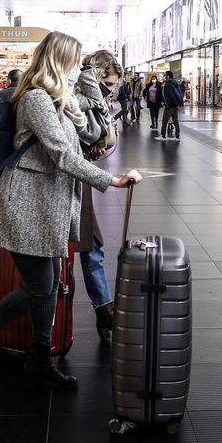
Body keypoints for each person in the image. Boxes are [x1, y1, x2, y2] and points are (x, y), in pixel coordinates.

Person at [0, 32, 142, 388]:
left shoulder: (62, 100)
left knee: (48, 287)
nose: (77, 69)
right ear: (60, 61)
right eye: (75, 62)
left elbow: (94, 125)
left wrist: (87, 74)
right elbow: (62, 154)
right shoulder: (37, 99)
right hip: (26, 203)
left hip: (47, 203)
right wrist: (109, 181)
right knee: (39, 288)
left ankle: (39, 358)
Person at [76, 49, 121, 341]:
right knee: (89, 247)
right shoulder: (73, 99)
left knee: (92, 246)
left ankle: (104, 311)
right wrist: (112, 180)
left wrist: (90, 150)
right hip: (62, 184)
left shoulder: (88, 100)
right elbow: (64, 151)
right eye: (106, 85)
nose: (109, 92)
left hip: (78, 181)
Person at [160, 73, 184, 139]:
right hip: (175, 105)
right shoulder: (175, 83)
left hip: (170, 105)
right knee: (175, 121)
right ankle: (177, 136)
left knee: (164, 120)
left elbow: (171, 95)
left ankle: (162, 135)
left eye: (165, 75)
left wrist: (175, 104)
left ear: (168, 76)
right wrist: (178, 104)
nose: (164, 77)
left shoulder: (168, 84)